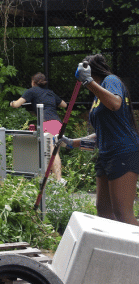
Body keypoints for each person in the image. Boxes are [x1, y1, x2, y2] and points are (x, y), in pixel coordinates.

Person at [61, 54, 139, 225]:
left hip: (123, 152)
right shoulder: (97, 95)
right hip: (106, 155)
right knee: (104, 212)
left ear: (90, 69)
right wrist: (71, 143)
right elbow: (100, 135)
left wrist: (88, 81)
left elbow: (115, 104)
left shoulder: (111, 80)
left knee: (123, 215)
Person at [10, 72, 68, 181]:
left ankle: (59, 180)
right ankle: (52, 180)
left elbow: (17, 104)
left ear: (33, 82)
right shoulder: (50, 93)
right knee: (54, 152)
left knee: (51, 152)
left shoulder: (31, 91)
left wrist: (12, 103)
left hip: (47, 123)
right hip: (58, 123)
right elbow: (64, 104)